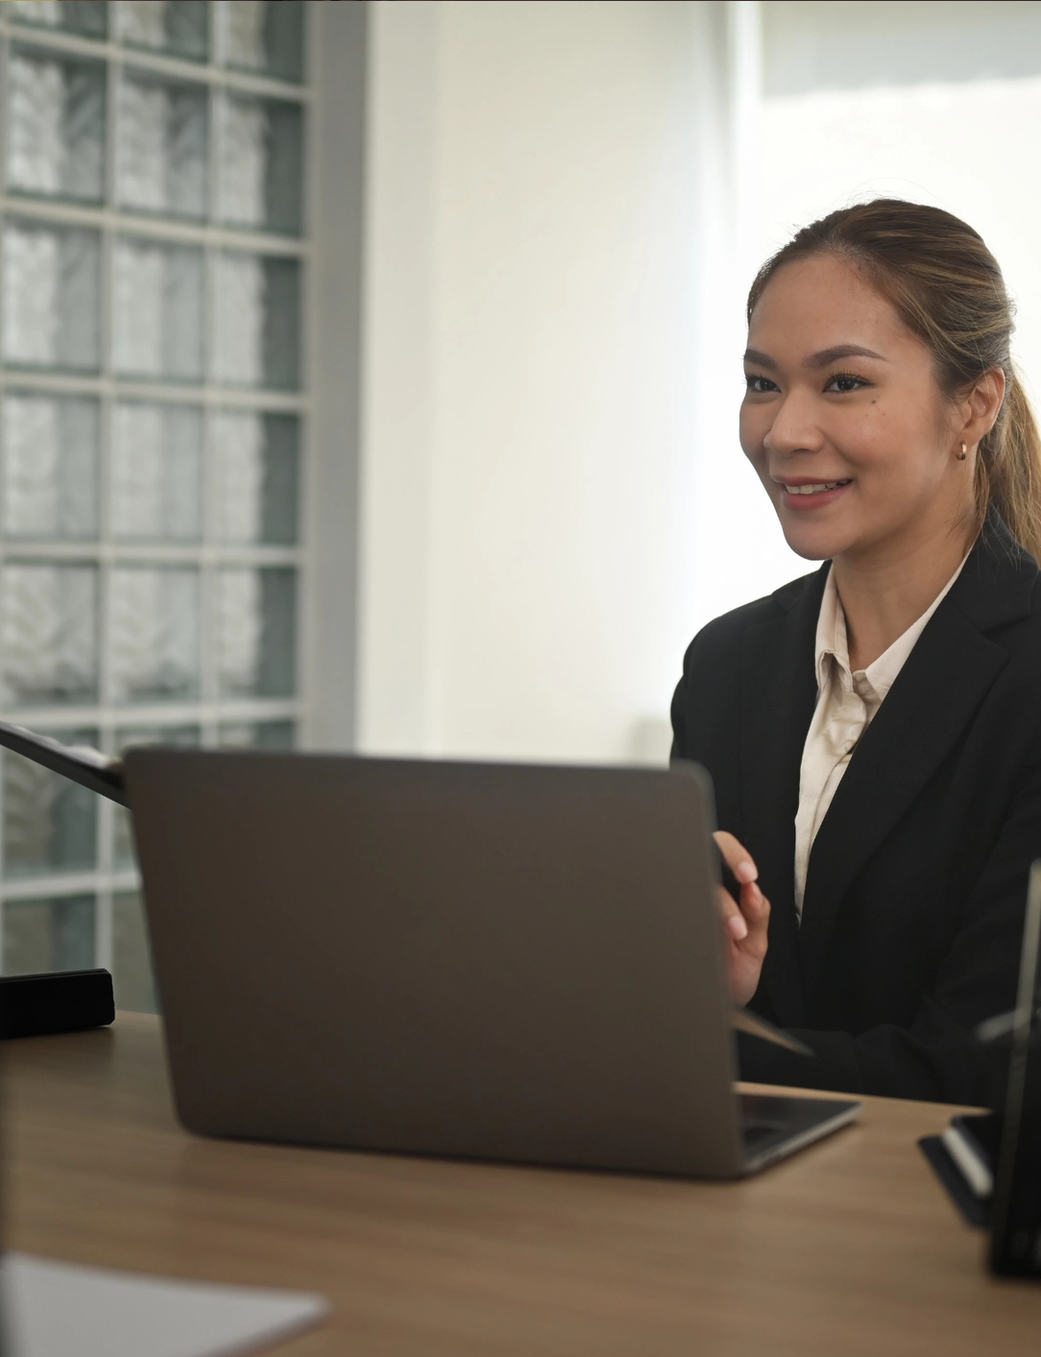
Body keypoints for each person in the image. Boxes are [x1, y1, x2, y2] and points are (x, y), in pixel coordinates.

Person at [670, 199, 1041, 1104]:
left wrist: (686, 1045)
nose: (784, 432)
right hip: (733, 1205)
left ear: (974, 403)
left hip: (934, 1219)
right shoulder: (726, 665)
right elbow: (694, 985)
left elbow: (979, 1069)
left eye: (841, 383)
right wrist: (692, 998)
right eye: (763, 382)